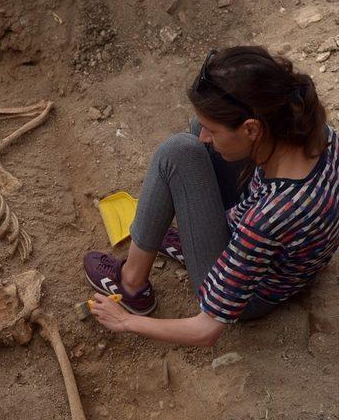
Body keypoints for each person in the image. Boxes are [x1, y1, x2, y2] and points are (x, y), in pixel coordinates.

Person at [83, 46, 339, 346]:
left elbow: (206, 329)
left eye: (213, 130)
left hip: (255, 295)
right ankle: (196, 239)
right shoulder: (314, 130)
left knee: (177, 152)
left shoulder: (268, 218)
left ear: (251, 129)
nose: (206, 136)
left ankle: (131, 284)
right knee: (195, 135)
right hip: (293, 260)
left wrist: (126, 321)